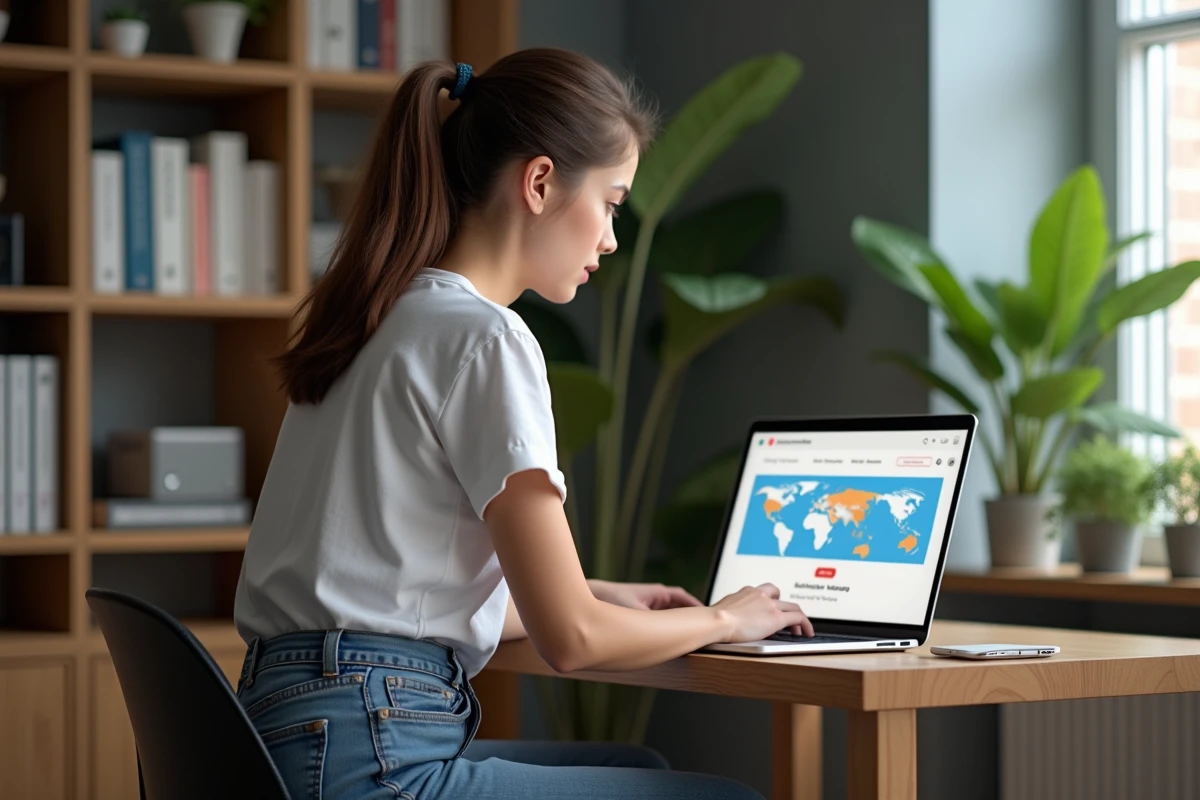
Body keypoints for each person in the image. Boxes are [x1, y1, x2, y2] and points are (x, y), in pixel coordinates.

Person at [232, 47, 813, 800]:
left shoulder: (377, 320)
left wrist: (598, 590)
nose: (610, 237)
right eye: (610, 202)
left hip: (290, 732)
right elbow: (571, 641)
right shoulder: (485, 338)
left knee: (642, 774)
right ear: (540, 182)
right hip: (368, 755)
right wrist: (726, 621)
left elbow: (386, 592)